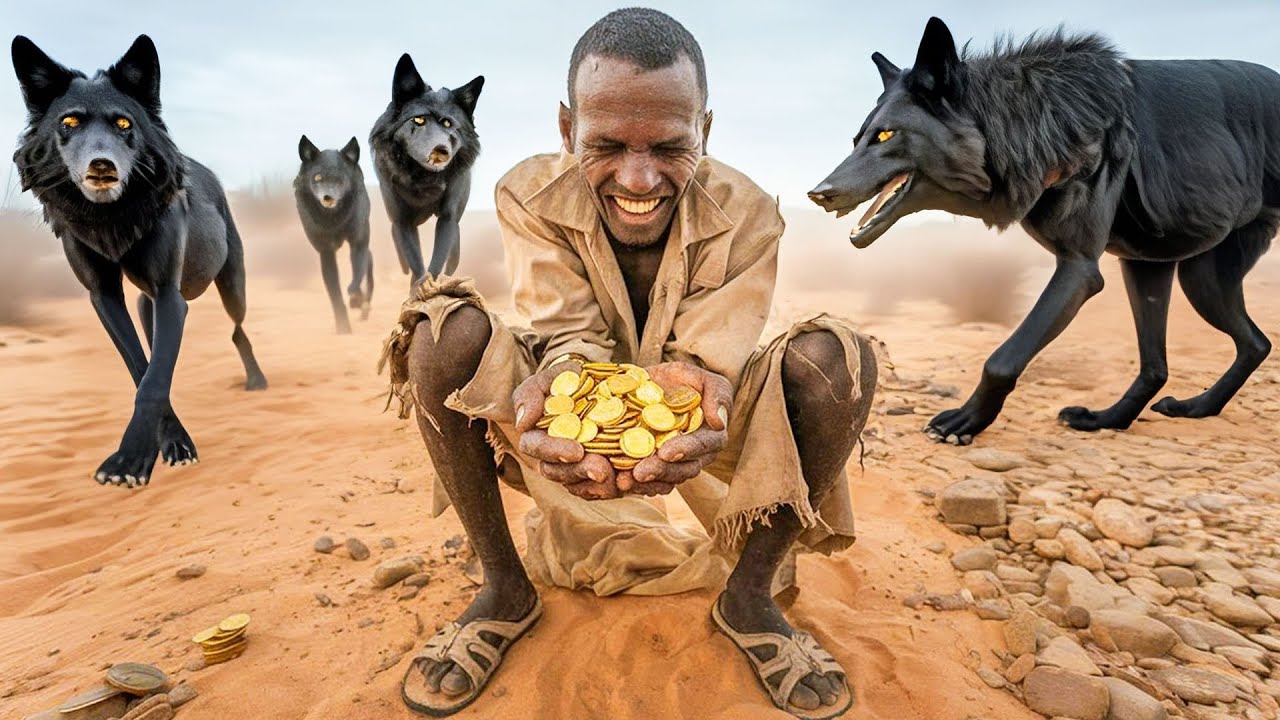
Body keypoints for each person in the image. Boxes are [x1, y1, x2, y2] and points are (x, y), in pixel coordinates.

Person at [380, 8, 876, 718]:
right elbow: (569, 336)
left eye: (671, 147)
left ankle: (749, 599)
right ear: (565, 129)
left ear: (704, 130)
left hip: (709, 411)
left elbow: (707, 363)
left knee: (839, 359)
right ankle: (504, 589)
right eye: (605, 144)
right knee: (438, 334)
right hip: (562, 386)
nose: (638, 178)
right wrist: (562, 389)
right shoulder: (527, 192)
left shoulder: (750, 213)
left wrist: (702, 388)